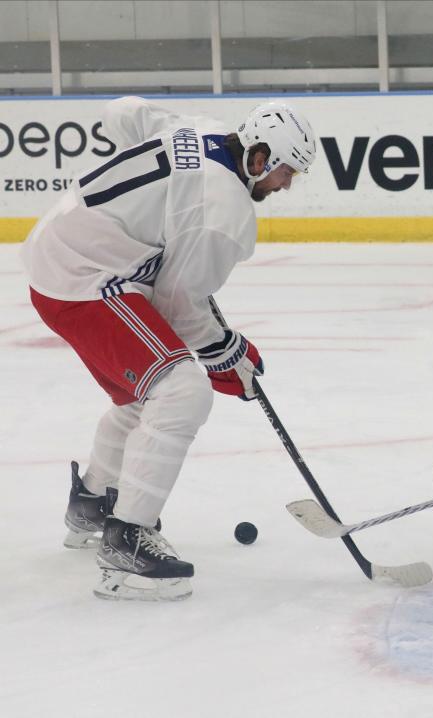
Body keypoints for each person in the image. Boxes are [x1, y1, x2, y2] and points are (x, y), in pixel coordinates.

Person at [21, 96, 316, 601]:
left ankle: (94, 500)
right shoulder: (224, 210)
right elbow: (181, 306)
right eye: (286, 171)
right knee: (181, 390)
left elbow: (124, 111)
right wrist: (227, 352)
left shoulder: (194, 130)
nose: (285, 184)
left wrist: (150, 206)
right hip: (83, 277)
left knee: (146, 395)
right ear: (260, 156)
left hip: (61, 251)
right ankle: (127, 542)